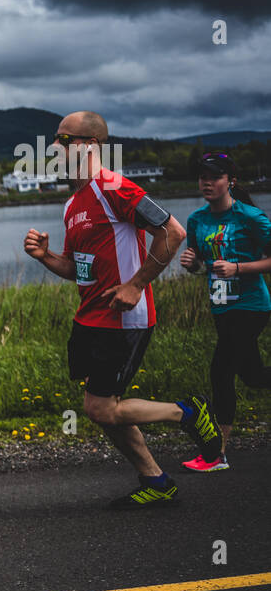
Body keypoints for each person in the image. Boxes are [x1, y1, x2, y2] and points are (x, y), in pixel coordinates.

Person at [22, 110, 223, 507]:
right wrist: (46, 257)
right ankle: (156, 480)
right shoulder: (73, 204)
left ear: (91, 145)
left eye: (64, 140)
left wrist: (136, 285)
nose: (55, 148)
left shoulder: (112, 186)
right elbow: (78, 270)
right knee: (104, 407)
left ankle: (186, 413)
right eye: (55, 140)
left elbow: (173, 232)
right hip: (90, 319)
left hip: (122, 318)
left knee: (100, 407)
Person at [177, 152, 271, 471]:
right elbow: (203, 265)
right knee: (253, 375)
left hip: (251, 306)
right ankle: (217, 453)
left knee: (221, 372)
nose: (206, 182)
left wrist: (238, 267)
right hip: (221, 307)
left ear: (230, 181)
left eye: (214, 177)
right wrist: (193, 265)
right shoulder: (197, 220)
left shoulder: (250, 218)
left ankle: (216, 455)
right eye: (202, 176)